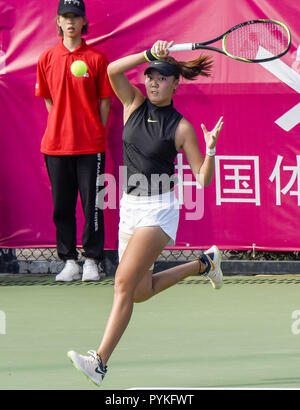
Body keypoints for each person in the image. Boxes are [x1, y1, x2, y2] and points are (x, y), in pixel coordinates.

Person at [67, 40, 224, 386]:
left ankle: (100, 362)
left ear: (175, 83)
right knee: (139, 291)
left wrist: (211, 150)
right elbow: (111, 71)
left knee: (122, 284)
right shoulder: (132, 103)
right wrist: (149, 54)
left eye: (162, 77)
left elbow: (203, 179)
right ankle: (205, 264)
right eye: (150, 75)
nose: (153, 81)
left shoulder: (181, 127)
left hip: (159, 211)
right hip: (130, 207)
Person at [35, 0, 114, 282]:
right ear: (58, 21)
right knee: (61, 205)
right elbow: (48, 99)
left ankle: (92, 259)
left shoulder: (96, 59)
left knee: (92, 205)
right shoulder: (46, 58)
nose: (70, 22)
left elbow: (105, 101)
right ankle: (69, 260)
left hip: (90, 146)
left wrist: (93, 128)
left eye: (75, 17)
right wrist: (63, 123)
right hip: (55, 146)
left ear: (83, 22)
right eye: (65, 17)